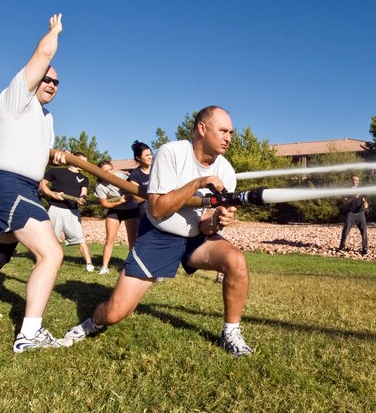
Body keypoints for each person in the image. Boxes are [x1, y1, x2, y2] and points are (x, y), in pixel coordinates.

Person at [64, 106, 254, 357]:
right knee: (114, 313)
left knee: (236, 261)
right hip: (159, 236)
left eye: (231, 132)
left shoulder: (227, 171)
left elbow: (204, 226)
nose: (229, 137)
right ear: (202, 128)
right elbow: (157, 209)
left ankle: (230, 333)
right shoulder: (172, 152)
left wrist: (218, 219)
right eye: (223, 130)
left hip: (195, 239)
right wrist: (197, 183)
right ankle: (93, 322)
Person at [0, 14, 72, 353]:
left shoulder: (45, 117)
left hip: (18, 187)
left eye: (56, 83)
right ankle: (29, 334)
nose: (51, 84)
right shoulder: (17, 96)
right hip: (12, 187)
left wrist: (55, 156)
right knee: (51, 254)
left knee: (0, 253)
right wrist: (54, 32)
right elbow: (43, 57)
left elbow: (32, 150)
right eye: (46, 79)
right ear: (34, 80)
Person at [40, 152, 95, 272]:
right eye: (82, 161)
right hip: (55, 209)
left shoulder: (84, 179)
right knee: (51, 238)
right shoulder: (56, 171)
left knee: (80, 238)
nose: (85, 164)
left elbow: (84, 193)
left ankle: (89, 264)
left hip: (72, 211)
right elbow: (42, 185)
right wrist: (52, 194)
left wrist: (83, 198)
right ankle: (46, 262)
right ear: (74, 160)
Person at [93, 160, 138, 274]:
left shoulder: (122, 176)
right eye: (106, 171)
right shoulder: (100, 186)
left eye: (110, 169)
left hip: (131, 209)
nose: (109, 172)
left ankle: (132, 265)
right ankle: (104, 267)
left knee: (132, 239)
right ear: (100, 173)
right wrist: (119, 202)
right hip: (114, 210)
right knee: (109, 239)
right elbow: (104, 204)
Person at [339, 175, 369, 255]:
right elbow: (344, 202)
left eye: (357, 181)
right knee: (346, 230)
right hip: (350, 213)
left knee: (364, 231)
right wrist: (353, 197)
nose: (356, 182)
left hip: (360, 213)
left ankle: (365, 248)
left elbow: (363, 200)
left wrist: (366, 204)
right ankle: (342, 247)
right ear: (350, 181)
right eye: (354, 180)